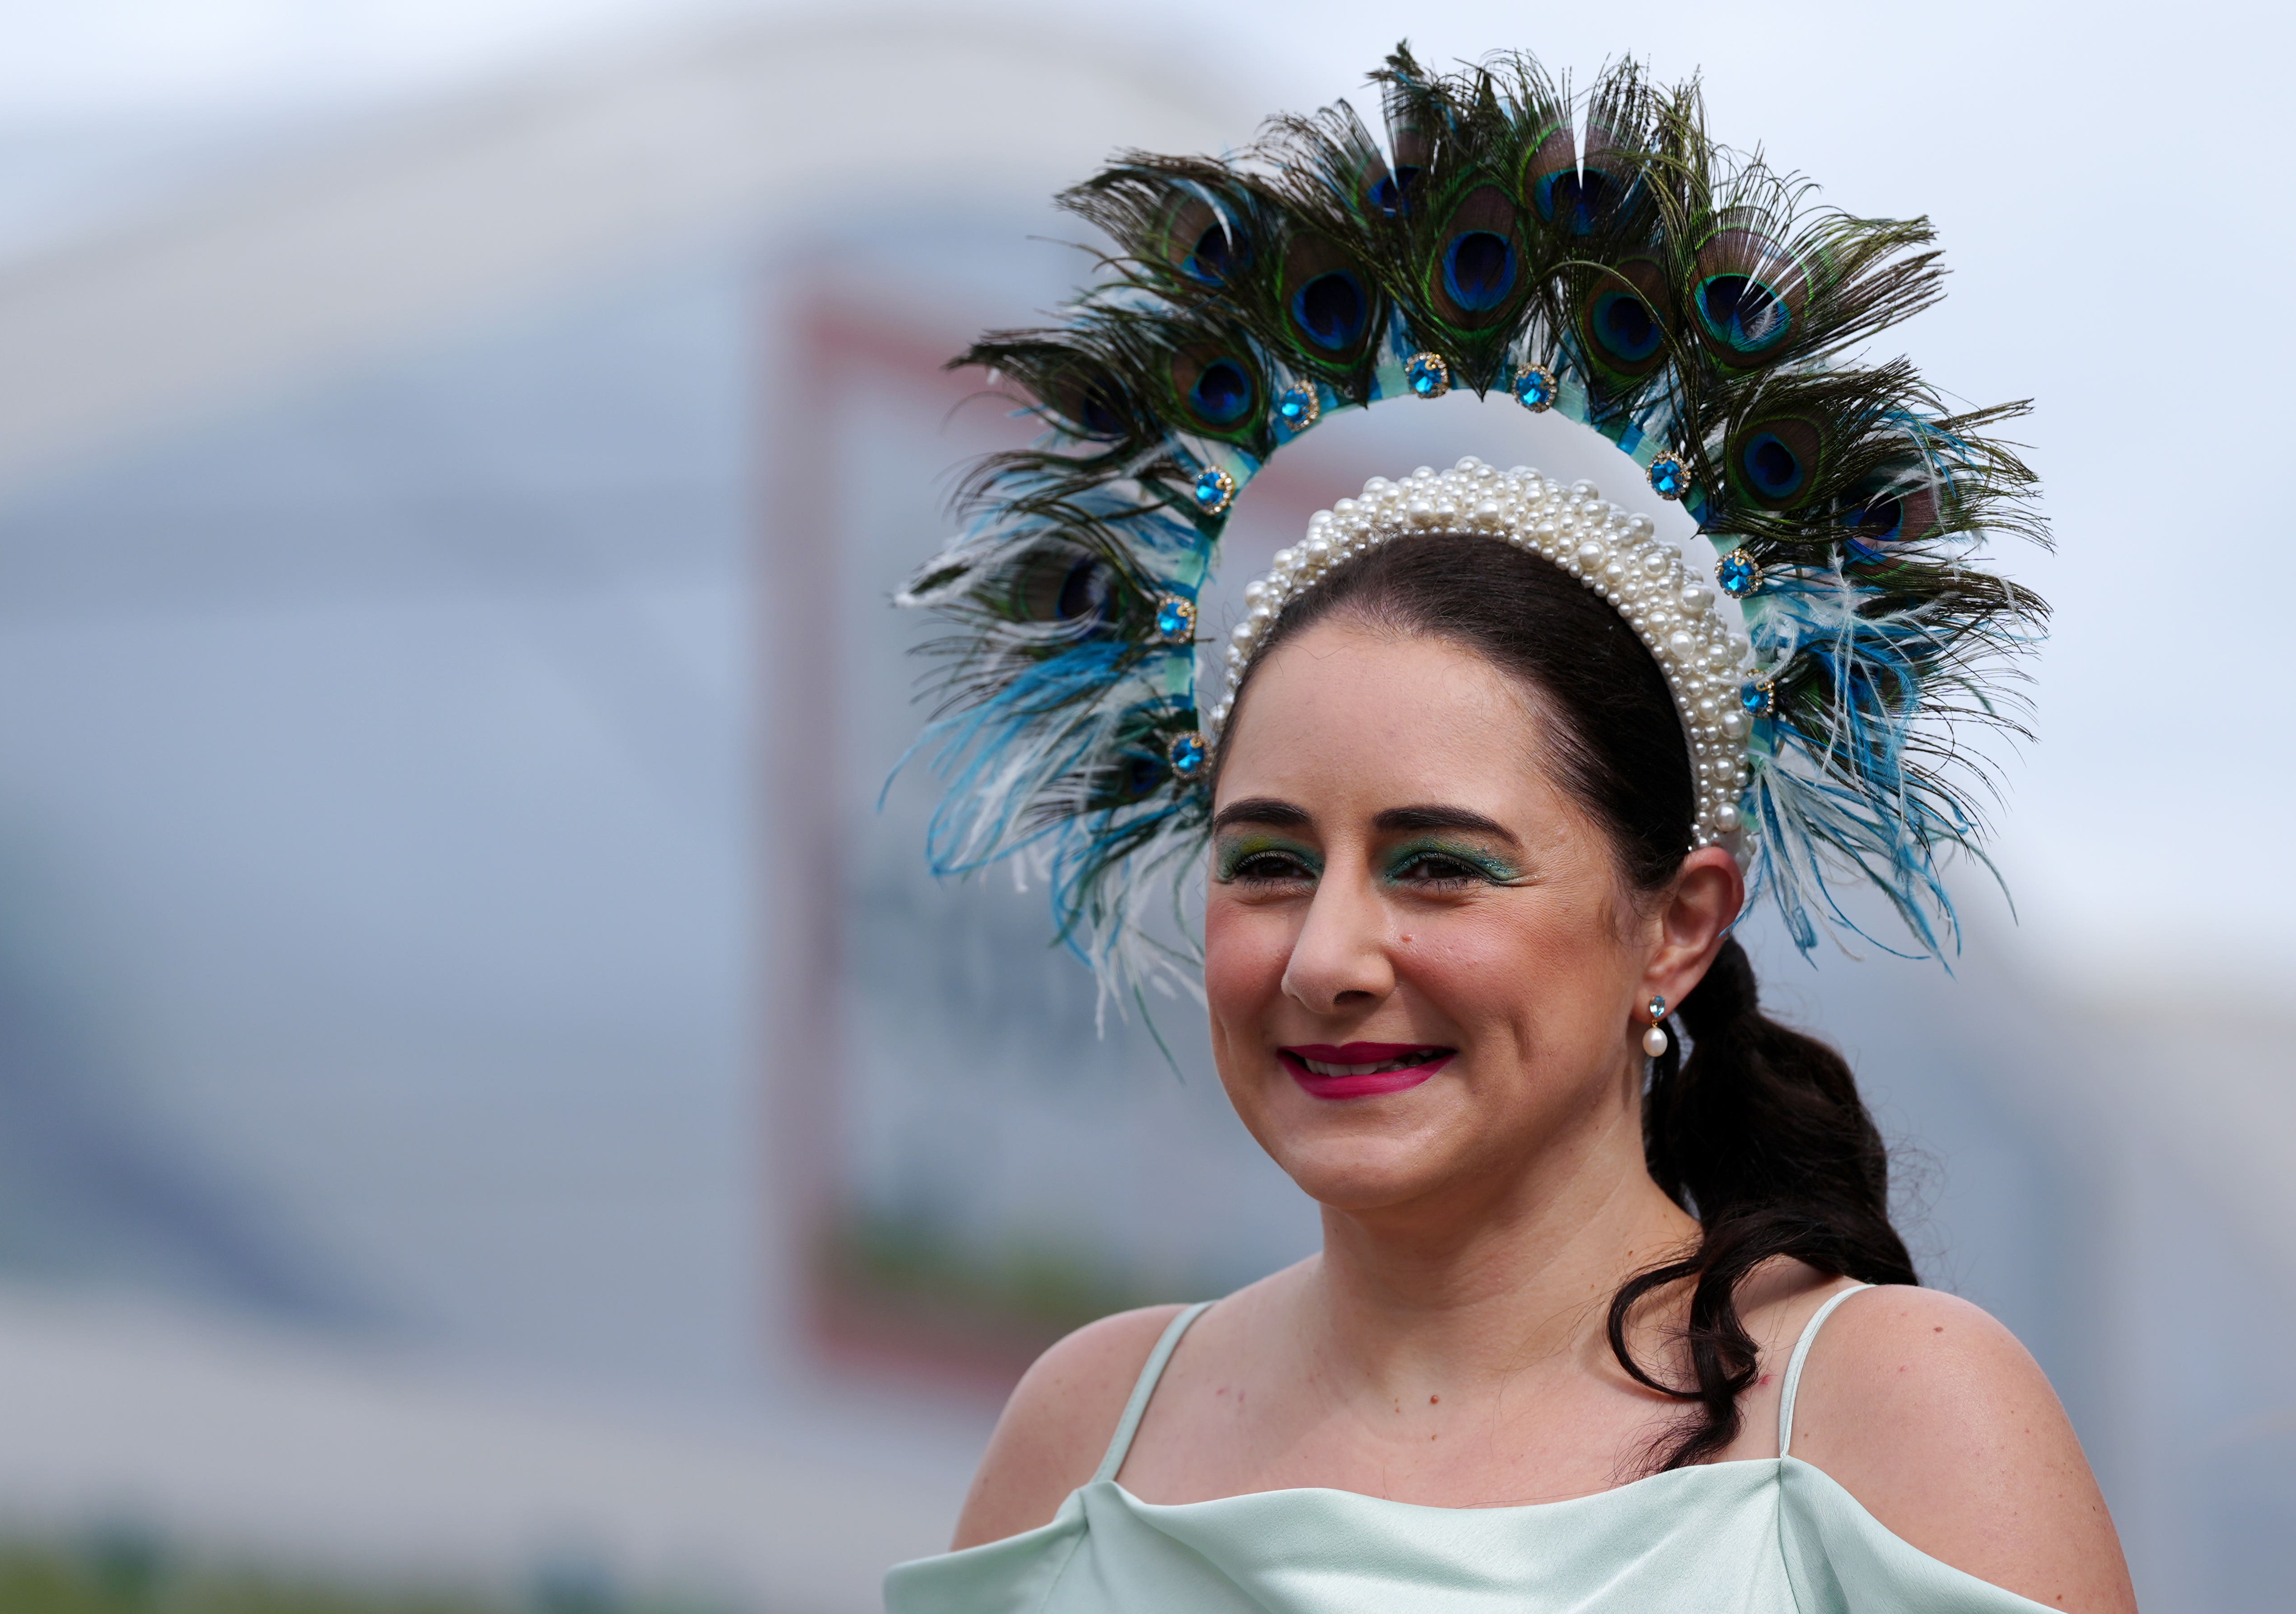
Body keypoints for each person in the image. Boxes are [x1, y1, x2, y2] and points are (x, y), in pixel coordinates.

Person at [886, 47, 2135, 1614]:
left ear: (1676, 922)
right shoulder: (1086, 1431)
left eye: (1438, 865)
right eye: (1269, 860)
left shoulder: (1894, 1414)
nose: (1328, 955)